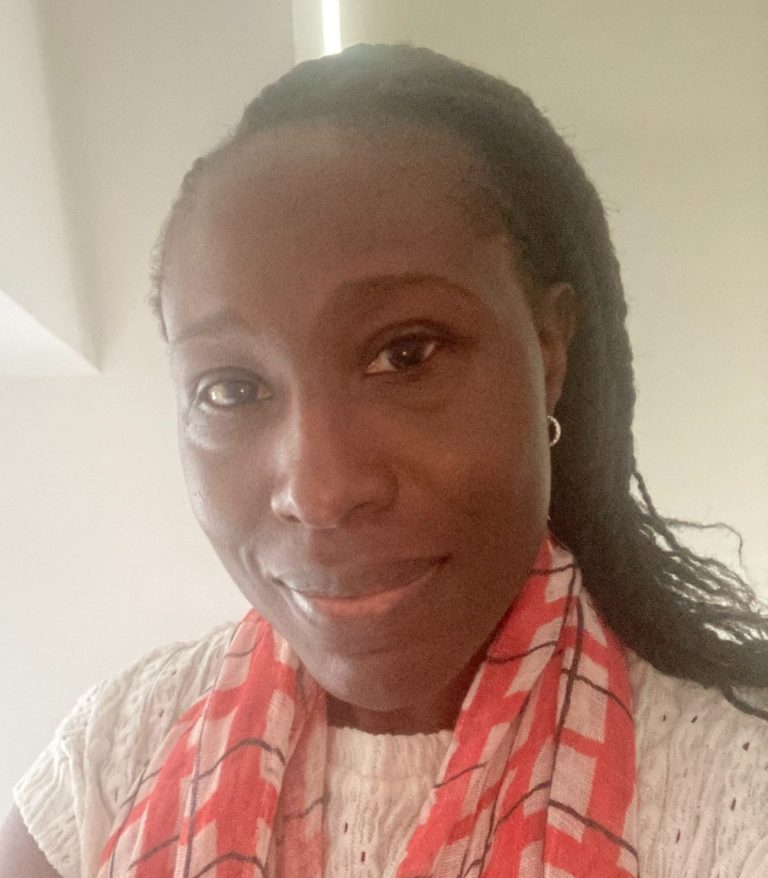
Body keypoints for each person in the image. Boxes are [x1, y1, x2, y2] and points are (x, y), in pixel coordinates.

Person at [2, 43, 767, 878]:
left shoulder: (736, 791)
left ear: (547, 351)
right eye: (230, 389)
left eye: (407, 353)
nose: (320, 491)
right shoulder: (113, 756)